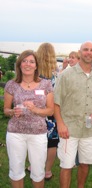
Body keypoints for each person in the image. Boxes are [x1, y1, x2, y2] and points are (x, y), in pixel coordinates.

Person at [54, 41, 92, 188]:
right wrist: (60, 124)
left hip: (89, 129)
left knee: (85, 163)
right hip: (68, 129)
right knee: (67, 165)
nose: (89, 52)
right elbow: (56, 102)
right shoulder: (65, 75)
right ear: (80, 52)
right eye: (85, 50)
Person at [3, 50, 54, 188]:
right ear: (19, 64)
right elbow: (6, 109)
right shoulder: (11, 84)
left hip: (38, 134)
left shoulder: (46, 84)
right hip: (15, 133)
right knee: (16, 171)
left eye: (31, 62)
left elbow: (51, 110)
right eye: (24, 61)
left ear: (36, 66)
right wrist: (13, 111)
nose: (28, 64)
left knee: (38, 172)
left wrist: (35, 109)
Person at [37, 42, 59, 180]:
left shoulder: (35, 70)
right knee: (52, 142)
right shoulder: (56, 71)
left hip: (37, 110)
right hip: (53, 110)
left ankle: (34, 167)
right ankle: (48, 171)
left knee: (36, 140)